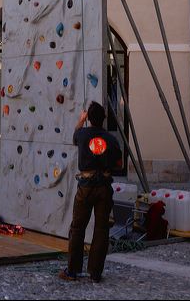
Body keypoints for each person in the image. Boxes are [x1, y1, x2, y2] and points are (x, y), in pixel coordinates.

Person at [59, 101, 122, 283]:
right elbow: (119, 164)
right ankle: (95, 273)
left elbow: (74, 136)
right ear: (103, 119)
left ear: (89, 118)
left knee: (78, 228)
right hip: (104, 187)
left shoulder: (83, 134)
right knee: (102, 229)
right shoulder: (111, 139)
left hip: (86, 186)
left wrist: (81, 119)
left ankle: (72, 271)